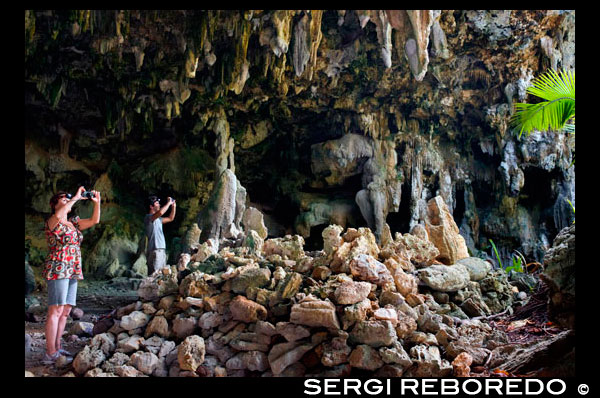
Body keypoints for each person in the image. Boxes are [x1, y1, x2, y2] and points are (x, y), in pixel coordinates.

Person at [42, 186, 101, 365]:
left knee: (66, 310)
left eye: (68, 198)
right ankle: (49, 352)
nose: (67, 199)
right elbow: (60, 215)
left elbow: (94, 221)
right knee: (55, 310)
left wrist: (97, 203)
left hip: (73, 268)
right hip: (58, 267)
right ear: (54, 204)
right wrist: (75, 197)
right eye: (63, 198)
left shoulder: (73, 222)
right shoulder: (53, 221)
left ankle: (57, 347)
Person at [144, 195, 176, 274]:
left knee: (161, 275)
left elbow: (170, 218)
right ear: (151, 206)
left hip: (161, 249)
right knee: (155, 275)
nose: (159, 205)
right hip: (155, 249)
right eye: (157, 203)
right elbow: (161, 212)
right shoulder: (148, 218)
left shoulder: (159, 219)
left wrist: (173, 206)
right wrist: (168, 203)